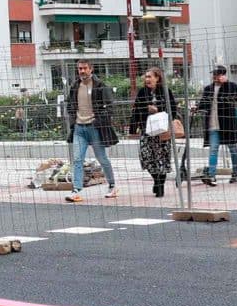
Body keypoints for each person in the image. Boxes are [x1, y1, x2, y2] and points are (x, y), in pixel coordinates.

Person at [64, 59, 119, 202]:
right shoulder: (75, 86)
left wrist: (98, 121)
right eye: (80, 68)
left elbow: (110, 106)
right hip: (79, 128)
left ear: (91, 69)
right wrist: (73, 121)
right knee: (77, 159)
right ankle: (76, 189)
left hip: (94, 127)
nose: (82, 71)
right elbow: (70, 105)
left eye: (84, 68)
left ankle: (112, 185)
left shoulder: (100, 86)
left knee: (102, 158)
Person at [128, 67, 178, 198]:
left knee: (162, 159)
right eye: (146, 77)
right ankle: (157, 180)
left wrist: (158, 109)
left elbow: (173, 109)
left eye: (150, 76)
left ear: (158, 78)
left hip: (162, 130)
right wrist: (133, 127)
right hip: (147, 129)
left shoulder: (166, 91)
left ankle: (160, 185)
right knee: (146, 158)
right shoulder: (142, 92)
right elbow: (136, 109)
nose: (147, 79)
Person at [194, 65, 237, 186]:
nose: (215, 76)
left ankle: (235, 173)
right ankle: (212, 175)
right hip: (213, 124)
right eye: (214, 74)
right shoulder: (208, 88)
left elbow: (235, 99)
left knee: (233, 149)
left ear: (223, 75)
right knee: (213, 150)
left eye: (218, 74)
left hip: (228, 124)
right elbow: (203, 103)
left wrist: (226, 84)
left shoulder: (231, 86)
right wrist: (197, 107)